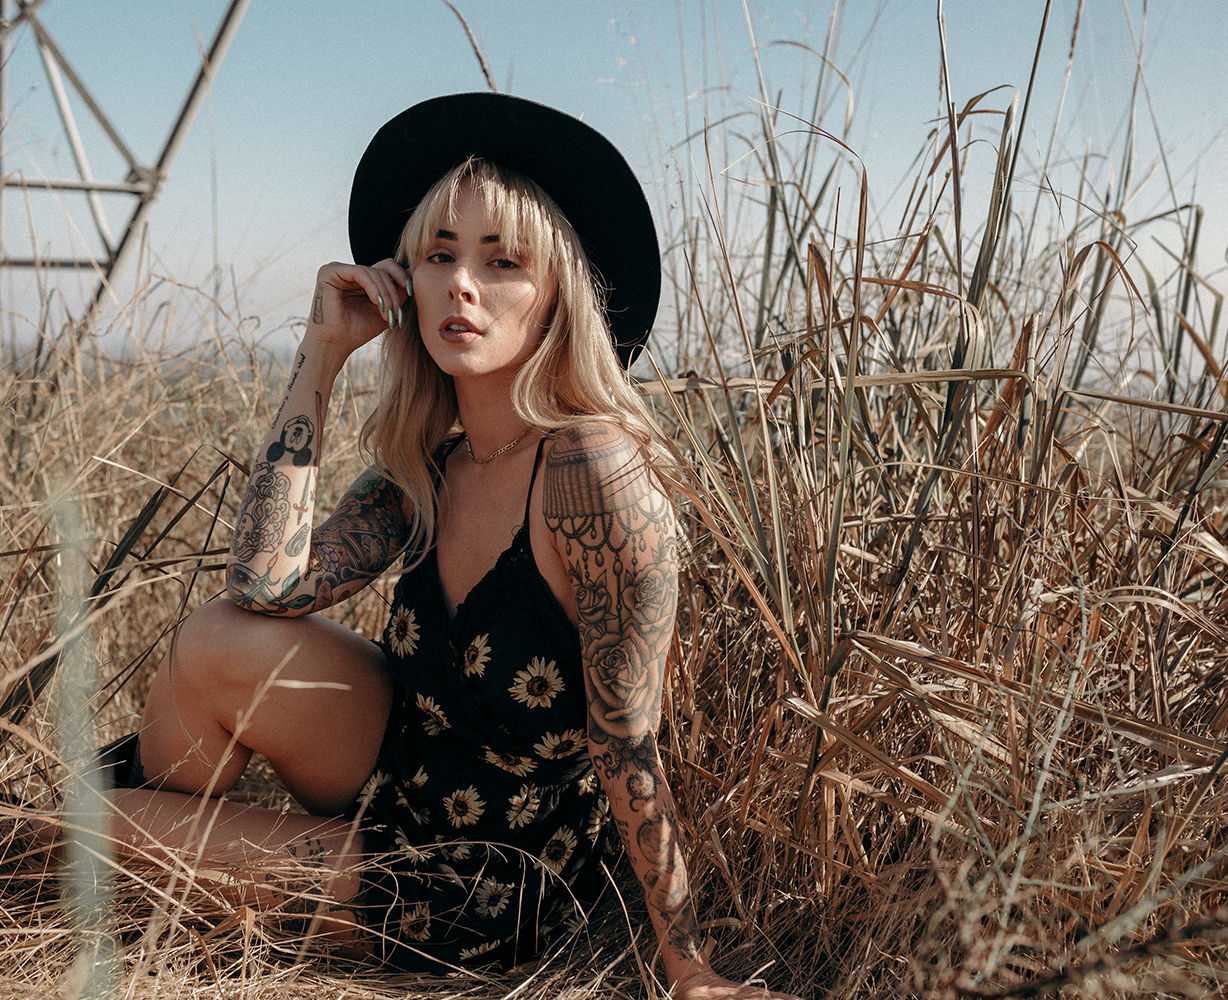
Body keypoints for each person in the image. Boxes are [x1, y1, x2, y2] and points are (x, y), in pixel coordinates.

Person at [107, 93, 799, 1000]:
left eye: (501, 261)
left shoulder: (590, 469)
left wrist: (689, 966)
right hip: (400, 774)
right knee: (216, 638)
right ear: (407, 280)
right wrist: (322, 353)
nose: (461, 284)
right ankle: (161, 855)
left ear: (557, 296)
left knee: (76, 830)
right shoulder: (429, 464)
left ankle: (142, 849)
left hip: (491, 873)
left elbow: (628, 740)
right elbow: (264, 587)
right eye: (439, 255)